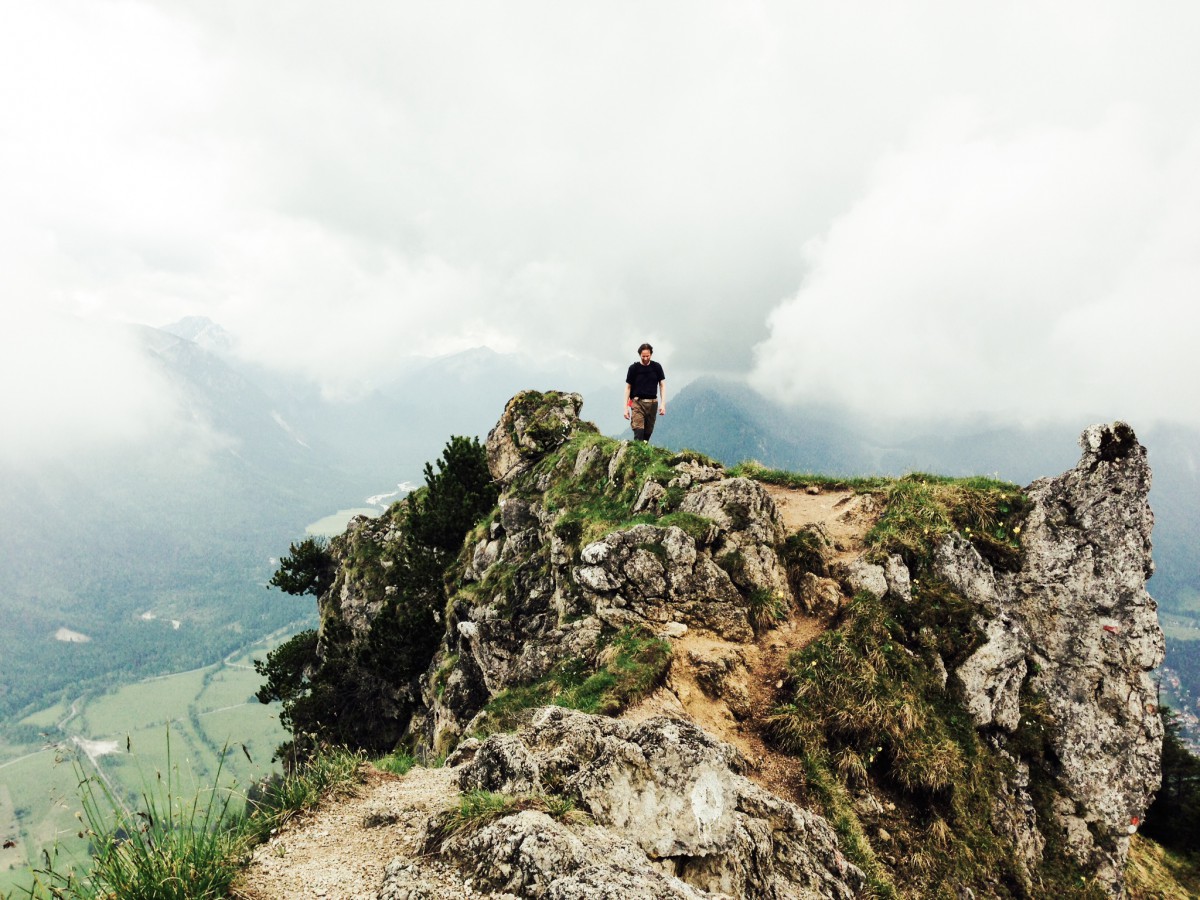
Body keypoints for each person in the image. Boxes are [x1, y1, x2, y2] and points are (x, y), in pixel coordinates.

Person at [624, 343, 666, 442]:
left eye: (648, 356)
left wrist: (663, 404)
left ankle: (643, 454)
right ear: (640, 355)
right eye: (643, 356)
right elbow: (628, 387)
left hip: (652, 404)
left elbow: (662, 385)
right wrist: (625, 408)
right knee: (639, 433)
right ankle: (636, 454)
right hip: (637, 403)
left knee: (647, 434)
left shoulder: (657, 367)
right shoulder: (633, 368)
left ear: (651, 355)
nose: (646, 358)